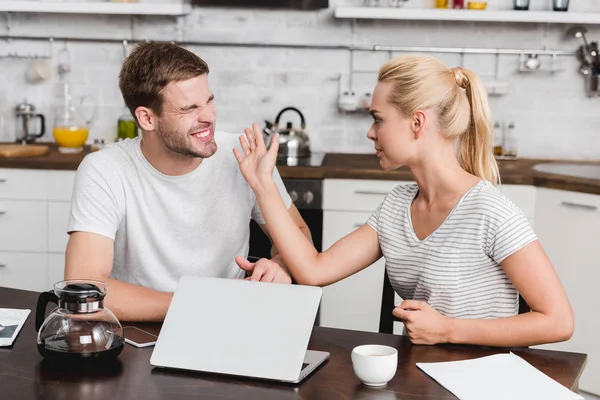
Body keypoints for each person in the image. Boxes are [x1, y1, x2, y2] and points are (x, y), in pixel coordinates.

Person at [233, 54, 574, 347]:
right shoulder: (397, 206)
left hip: (482, 378)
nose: (370, 132)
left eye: (377, 118)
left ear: (417, 122)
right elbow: (313, 270)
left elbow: (558, 321)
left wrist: (448, 330)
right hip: (421, 374)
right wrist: (263, 186)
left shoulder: (490, 212)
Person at [65, 41, 311, 322]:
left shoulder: (244, 156)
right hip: (137, 333)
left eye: (209, 100)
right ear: (147, 118)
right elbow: (83, 288)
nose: (209, 116)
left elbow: (300, 234)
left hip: (229, 321)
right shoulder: (105, 170)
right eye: (188, 108)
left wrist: (282, 265)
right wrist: (201, 302)